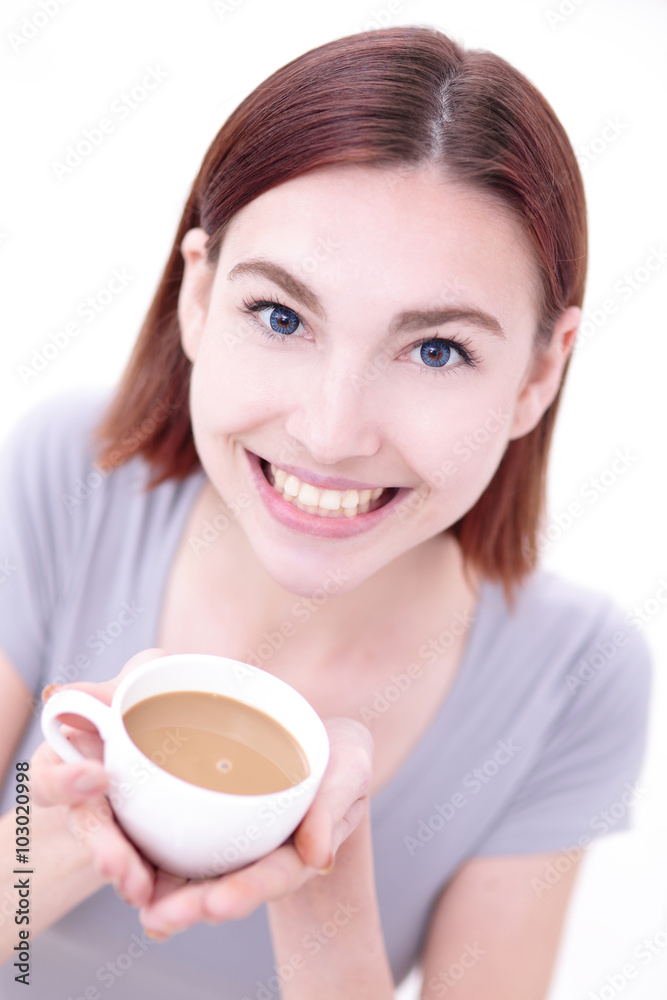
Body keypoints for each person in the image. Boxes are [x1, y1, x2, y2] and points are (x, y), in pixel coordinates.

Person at [0, 23, 652, 1000]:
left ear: (538, 373)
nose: (333, 430)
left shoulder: (571, 679)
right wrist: (90, 818)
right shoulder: (75, 474)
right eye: (280, 316)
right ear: (198, 296)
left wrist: (319, 881)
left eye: (435, 350)